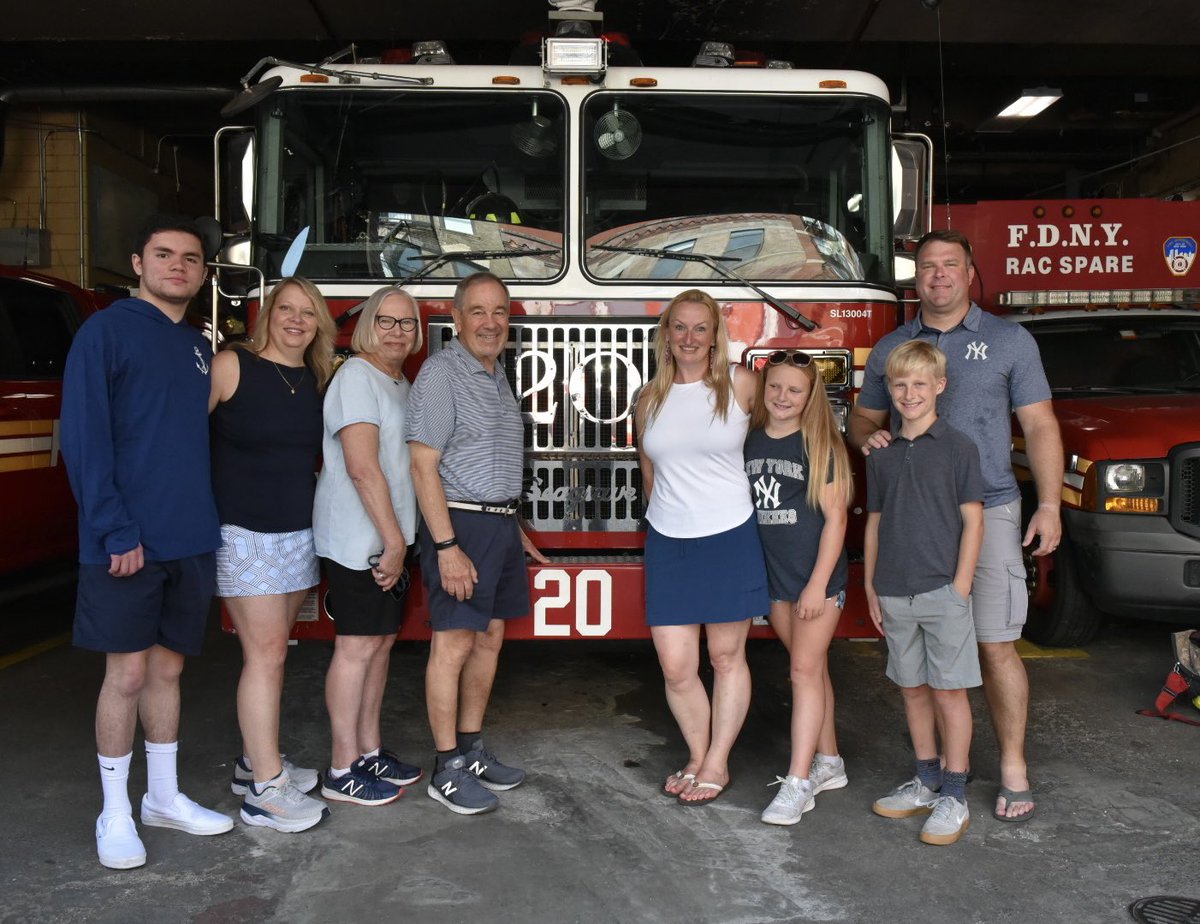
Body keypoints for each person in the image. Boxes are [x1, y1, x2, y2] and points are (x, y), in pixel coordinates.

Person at [849, 229, 1062, 823]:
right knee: (919, 664)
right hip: (913, 520)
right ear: (914, 277)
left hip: (987, 511)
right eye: (927, 266)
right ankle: (938, 776)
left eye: (950, 265)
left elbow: (1040, 424)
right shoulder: (893, 347)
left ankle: (1012, 767)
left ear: (970, 273)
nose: (938, 275)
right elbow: (861, 421)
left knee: (994, 644)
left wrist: (1048, 504)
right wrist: (870, 440)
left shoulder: (1009, 340)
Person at [62, 213, 233, 870]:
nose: (177, 267)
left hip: (188, 538)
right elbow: (85, 438)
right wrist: (114, 529)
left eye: (190, 259)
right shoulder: (105, 332)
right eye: (163, 255)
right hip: (126, 543)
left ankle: (163, 797)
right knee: (127, 674)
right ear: (137, 264)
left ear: (203, 273)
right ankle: (115, 810)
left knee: (167, 671)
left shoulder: (197, 345)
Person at [407, 271, 548, 816]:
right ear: (457, 318)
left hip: (497, 526)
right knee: (454, 645)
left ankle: (471, 749)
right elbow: (423, 464)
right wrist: (447, 546)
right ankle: (446, 768)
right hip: (460, 528)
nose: (491, 322)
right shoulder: (442, 373)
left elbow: (484, 460)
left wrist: (512, 527)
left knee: (489, 639)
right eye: (479, 311)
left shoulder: (495, 374)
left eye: (500, 312)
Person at [209, 276, 335, 832]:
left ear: (318, 324)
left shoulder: (315, 378)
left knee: (274, 653)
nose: (296, 320)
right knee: (265, 656)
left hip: (297, 534)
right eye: (286, 308)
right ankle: (265, 791)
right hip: (243, 533)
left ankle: (253, 763)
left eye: (308, 312)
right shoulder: (231, 366)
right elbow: (181, 442)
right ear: (268, 314)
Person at [635, 289, 768, 805]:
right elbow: (650, 473)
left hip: (730, 534)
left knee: (726, 656)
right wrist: (668, 518)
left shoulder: (740, 384)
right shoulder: (648, 398)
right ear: (666, 335)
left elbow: (782, 432)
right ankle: (696, 752)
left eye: (700, 328)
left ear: (715, 336)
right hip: (669, 541)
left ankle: (716, 761)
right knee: (675, 666)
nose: (689, 338)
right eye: (680, 327)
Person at [865, 340, 985, 846]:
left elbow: (973, 519)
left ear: (940, 386)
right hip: (894, 590)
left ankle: (954, 793)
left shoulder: (958, 447)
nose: (909, 393)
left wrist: (961, 585)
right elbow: (874, 522)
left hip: (942, 589)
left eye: (919, 384)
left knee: (949, 691)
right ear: (889, 390)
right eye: (900, 385)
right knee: (912, 687)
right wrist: (872, 585)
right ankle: (926, 779)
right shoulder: (881, 454)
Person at [312, 286, 425, 806]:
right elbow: (361, 468)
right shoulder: (356, 377)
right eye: (386, 321)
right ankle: (341, 769)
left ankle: (368, 751)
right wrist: (393, 541)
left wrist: (399, 540)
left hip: (390, 539)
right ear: (366, 327)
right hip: (361, 541)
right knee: (356, 648)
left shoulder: (398, 381)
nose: (397, 331)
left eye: (407, 322)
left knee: (379, 646)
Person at [744, 349, 853, 825]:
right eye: (775, 387)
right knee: (811, 668)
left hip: (815, 582)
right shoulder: (750, 441)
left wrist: (817, 585)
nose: (782, 396)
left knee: (802, 672)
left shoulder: (820, 443)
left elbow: (836, 520)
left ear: (810, 397)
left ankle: (798, 781)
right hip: (775, 579)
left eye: (794, 390)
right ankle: (830, 761)